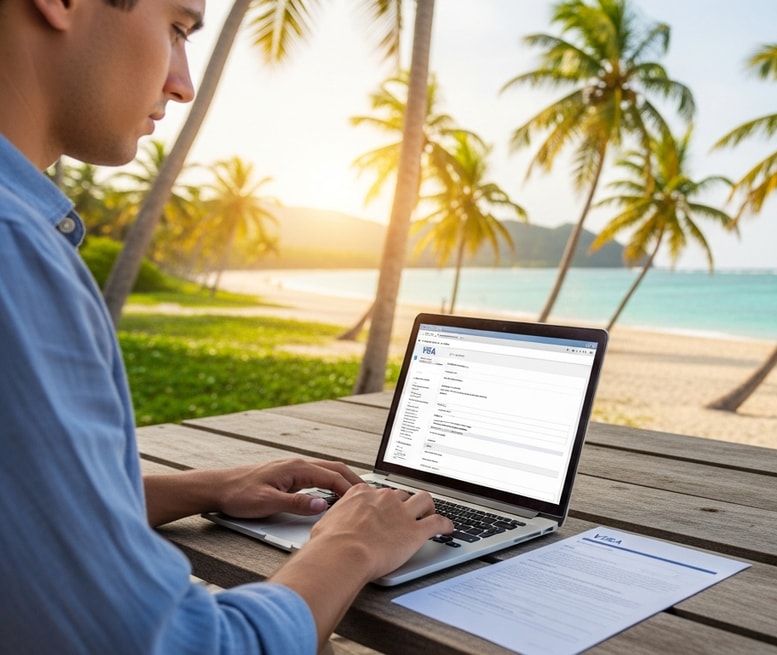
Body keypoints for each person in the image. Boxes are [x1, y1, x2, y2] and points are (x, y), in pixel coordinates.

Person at [0, 0, 454, 651]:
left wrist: (206, 486)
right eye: (176, 29)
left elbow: (25, 507)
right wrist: (351, 547)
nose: (183, 83)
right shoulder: (14, 252)